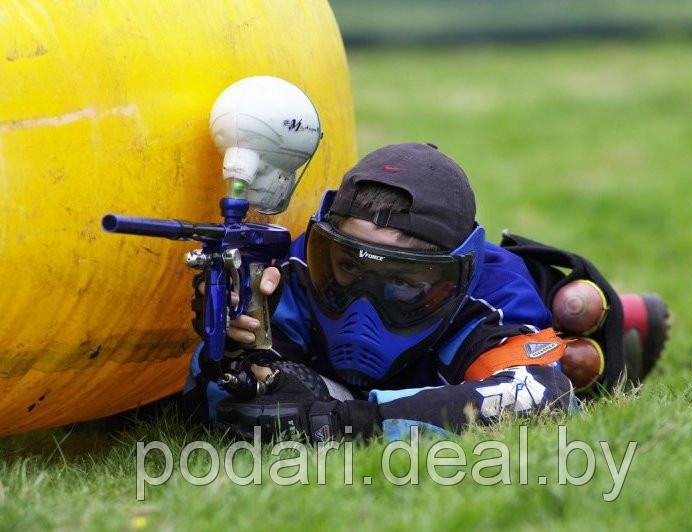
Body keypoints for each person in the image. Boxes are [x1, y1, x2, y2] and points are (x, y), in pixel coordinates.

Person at [182, 142, 666, 442]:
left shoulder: (491, 301)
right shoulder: (296, 266)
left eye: (402, 282)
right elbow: (223, 393)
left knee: (585, 346)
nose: (362, 310)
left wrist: (345, 421)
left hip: (531, 320)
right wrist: (231, 343)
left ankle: (627, 319)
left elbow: (542, 397)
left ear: (453, 276)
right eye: (350, 267)